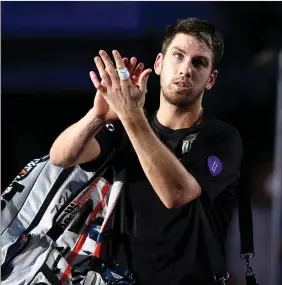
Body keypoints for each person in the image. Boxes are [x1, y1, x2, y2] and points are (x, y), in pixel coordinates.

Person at [50, 18, 243, 285]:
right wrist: (97, 116)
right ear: (160, 63)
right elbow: (61, 156)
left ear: (211, 80)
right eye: (178, 56)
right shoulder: (127, 127)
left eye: (199, 63)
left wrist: (131, 116)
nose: (186, 69)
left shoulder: (222, 138)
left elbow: (176, 194)